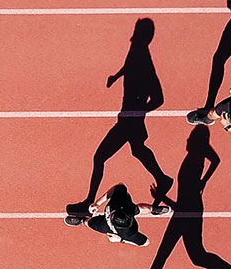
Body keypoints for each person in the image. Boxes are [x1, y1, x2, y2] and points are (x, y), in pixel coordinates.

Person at [121, 126, 231, 269]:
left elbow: (182, 206)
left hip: (188, 213)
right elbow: (216, 160)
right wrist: (204, 181)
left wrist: (162, 197)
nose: (187, 141)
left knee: (166, 255)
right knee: (196, 256)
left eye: (190, 139)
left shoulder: (193, 161)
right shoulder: (197, 156)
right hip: (190, 211)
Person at [68, 18, 175, 219]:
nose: (132, 35)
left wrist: (138, 112)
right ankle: (163, 178)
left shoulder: (144, 58)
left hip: (129, 121)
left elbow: (159, 98)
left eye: (136, 31)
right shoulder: (137, 51)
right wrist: (117, 76)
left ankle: (89, 203)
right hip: (129, 120)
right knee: (138, 150)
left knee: (100, 157)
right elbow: (129, 66)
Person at [65, 183, 156, 246]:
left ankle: (82, 221)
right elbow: (119, 187)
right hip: (127, 209)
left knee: (89, 223)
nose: (108, 216)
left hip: (106, 227)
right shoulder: (120, 202)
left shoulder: (129, 234)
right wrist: (97, 203)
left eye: (110, 217)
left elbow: (146, 243)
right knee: (139, 209)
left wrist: (120, 240)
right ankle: (154, 209)